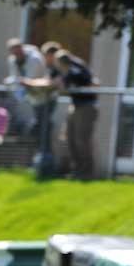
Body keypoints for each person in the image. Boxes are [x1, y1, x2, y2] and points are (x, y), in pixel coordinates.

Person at [5, 38, 57, 164]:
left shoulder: (35, 58)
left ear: (22, 48)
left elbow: (30, 81)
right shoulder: (13, 60)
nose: (16, 55)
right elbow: (17, 80)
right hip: (34, 99)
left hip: (46, 97)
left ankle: (46, 157)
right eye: (14, 53)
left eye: (18, 51)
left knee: (43, 126)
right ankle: (41, 156)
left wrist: (20, 83)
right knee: (39, 127)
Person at [54, 49, 98, 179]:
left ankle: (86, 173)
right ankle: (77, 170)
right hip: (75, 106)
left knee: (81, 141)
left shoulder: (75, 71)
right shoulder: (69, 71)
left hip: (85, 107)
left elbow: (90, 83)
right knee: (70, 139)